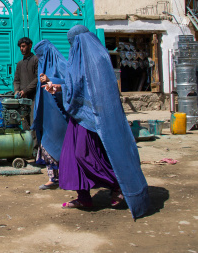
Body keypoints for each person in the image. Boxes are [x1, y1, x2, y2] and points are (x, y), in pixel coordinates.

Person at [43, 25, 150, 219]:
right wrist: (59, 88)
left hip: (94, 118)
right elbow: (75, 85)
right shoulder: (79, 61)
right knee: (72, 158)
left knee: (85, 156)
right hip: (79, 117)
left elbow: (93, 90)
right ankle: (83, 196)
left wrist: (63, 90)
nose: (71, 47)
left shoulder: (98, 60)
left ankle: (117, 184)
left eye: (72, 43)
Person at [31, 40, 68, 190]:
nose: (40, 58)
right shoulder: (42, 66)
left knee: (63, 147)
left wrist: (51, 80)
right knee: (46, 145)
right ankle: (53, 178)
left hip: (60, 115)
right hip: (46, 115)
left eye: (41, 55)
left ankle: (68, 178)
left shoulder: (62, 65)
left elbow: (70, 84)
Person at [13, 37, 39, 144]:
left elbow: (38, 79)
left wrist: (26, 90)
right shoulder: (20, 64)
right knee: (24, 122)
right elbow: (16, 80)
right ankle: (26, 147)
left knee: (33, 122)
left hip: (34, 97)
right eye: (20, 47)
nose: (21, 49)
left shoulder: (36, 60)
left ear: (30, 45)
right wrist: (16, 91)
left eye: (23, 46)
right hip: (23, 99)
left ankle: (35, 148)